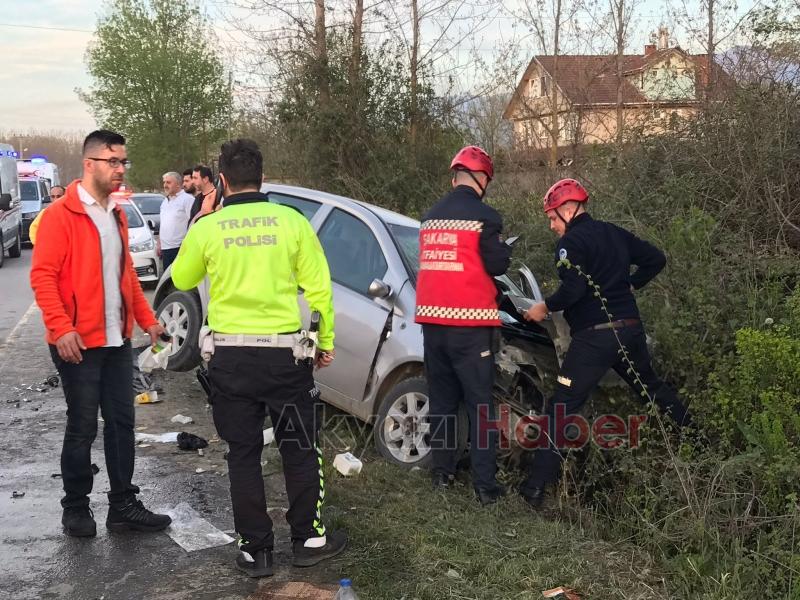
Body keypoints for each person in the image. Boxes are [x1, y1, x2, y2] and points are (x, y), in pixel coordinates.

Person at [171, 138, 346, 578]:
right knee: (299, 448)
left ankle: (256, 550)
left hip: (230, 360)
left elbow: (182, 275)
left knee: (243, 453)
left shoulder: (208, 227)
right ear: (263, 177)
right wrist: (324, 342)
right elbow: (320, 289)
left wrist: (206, 223)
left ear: (223, 181)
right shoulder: (291, 222)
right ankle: (308, 539)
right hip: (285, 358)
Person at [30, 130, 172, 537]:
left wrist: (148, 320)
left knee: (122, 422)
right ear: (89, 163)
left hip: (116, 340)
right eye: (113, 161)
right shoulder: (60, 216)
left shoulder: (115, 214)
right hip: (77, 343)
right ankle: (75, 506)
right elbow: (43, 277)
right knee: (82, 427)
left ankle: (123, 505)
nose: (120, 169)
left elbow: (126, 277)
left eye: (123, 161)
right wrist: (61, 329)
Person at [520, 178, 691, 508]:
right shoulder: (615, 233)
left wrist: (544, 307)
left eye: (553, 217)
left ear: (569, 210)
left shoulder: (570, 244)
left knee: (561, 407)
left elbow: (573, 290)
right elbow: (656, 258)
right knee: (652, 389)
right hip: (629, 331)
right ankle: (700, 442)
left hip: (595, 339)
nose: (552, 225)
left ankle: (534, 489)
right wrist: (631, 285)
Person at [415, 145, 512, 506]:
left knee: (441, 402)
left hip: (432, 325)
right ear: (480, 177)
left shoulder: (430, 217)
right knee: (479, 405)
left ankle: (442, 474)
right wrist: (505, 250)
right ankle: (485, 487)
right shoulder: (485, 217)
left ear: (455, 175)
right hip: (470, 329)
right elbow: (497, 264)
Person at [158, 171, 195, 270]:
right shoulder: (165, 202)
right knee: (169, 282)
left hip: (180, 249)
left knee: (181, 281)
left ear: (178, 184)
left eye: (168, 182)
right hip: (166, 249)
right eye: (164, 182)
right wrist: (159, 243)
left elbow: (194, 223)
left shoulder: (187, 200)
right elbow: (164, 224)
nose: (165, 185)